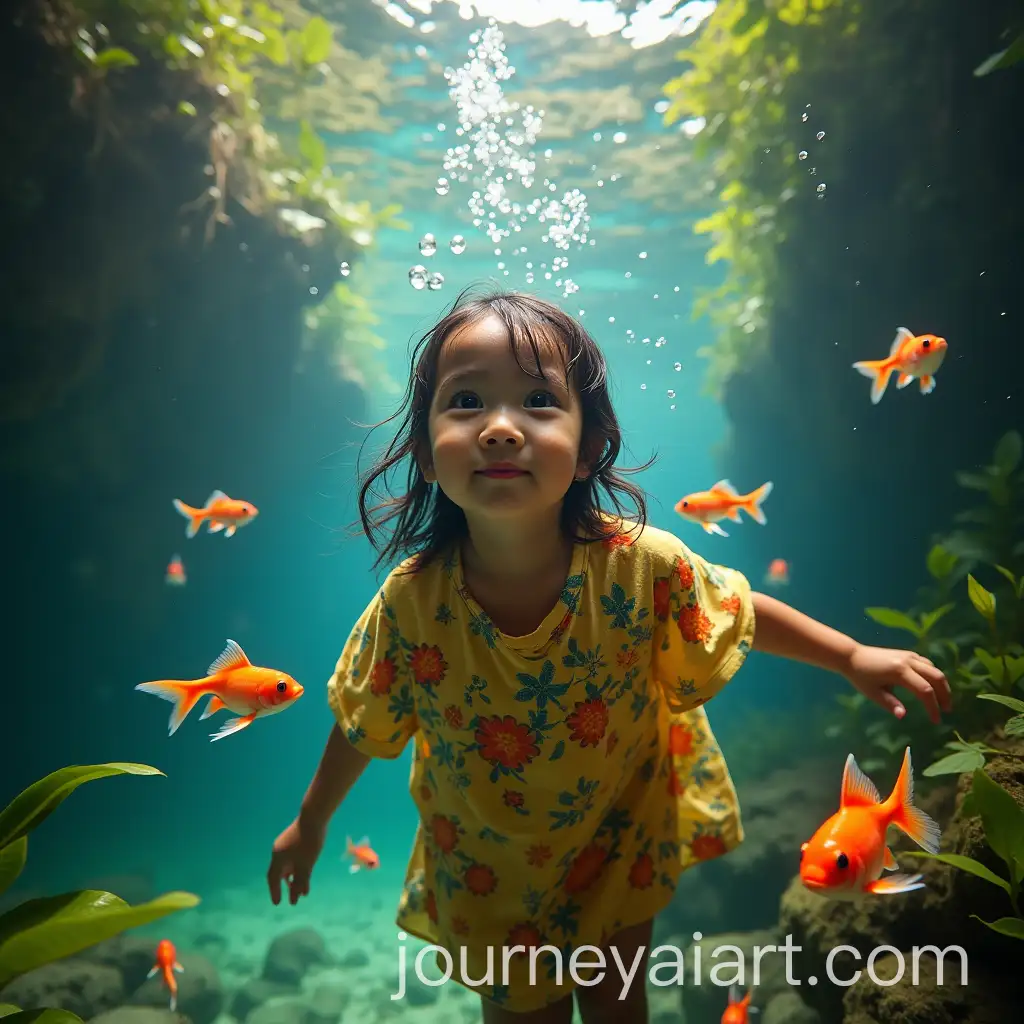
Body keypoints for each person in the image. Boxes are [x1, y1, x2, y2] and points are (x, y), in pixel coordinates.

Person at [266, 288, 952, 1023]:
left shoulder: (639, 565)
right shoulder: (412, 603)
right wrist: (312, 822)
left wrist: (850, 656)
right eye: (466, 401)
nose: (501, 428)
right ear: (428, 453)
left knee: (620, 1007)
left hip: (618, 836)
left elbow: (738, 609)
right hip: (486, 864)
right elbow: (360, 716)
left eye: (537, 400)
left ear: (590, 444)